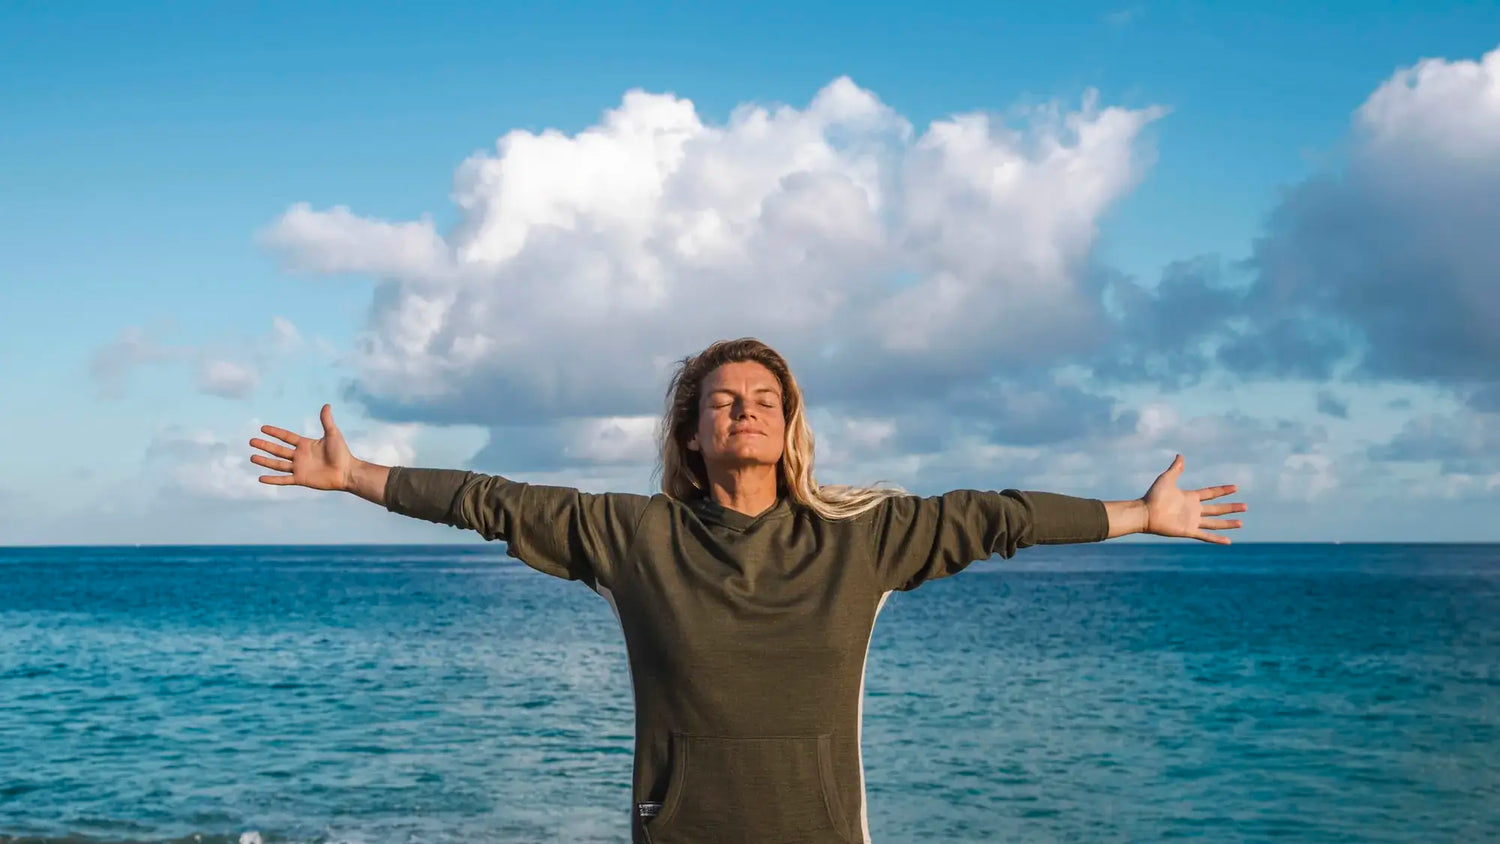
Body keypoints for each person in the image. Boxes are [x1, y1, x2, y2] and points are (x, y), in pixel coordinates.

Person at [249, 337, 1246, 843]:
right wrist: (360, 475)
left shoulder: (864, 534)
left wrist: (1138, 512)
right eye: (724, 400)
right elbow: (494, 501)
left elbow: (999, 515)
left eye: (766, 400)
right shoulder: (632, 536)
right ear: (693, 429)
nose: (745, 411)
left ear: (790, 423)